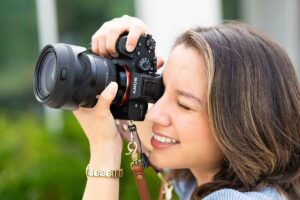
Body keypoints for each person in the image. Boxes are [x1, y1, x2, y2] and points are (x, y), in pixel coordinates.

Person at [73, 15, 300, 200]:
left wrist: (103, 151)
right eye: (161, 90)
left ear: (240, 126)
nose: (154, 113)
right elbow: (135, 131)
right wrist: (126, 68)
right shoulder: (202, 178)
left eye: (183, 105)